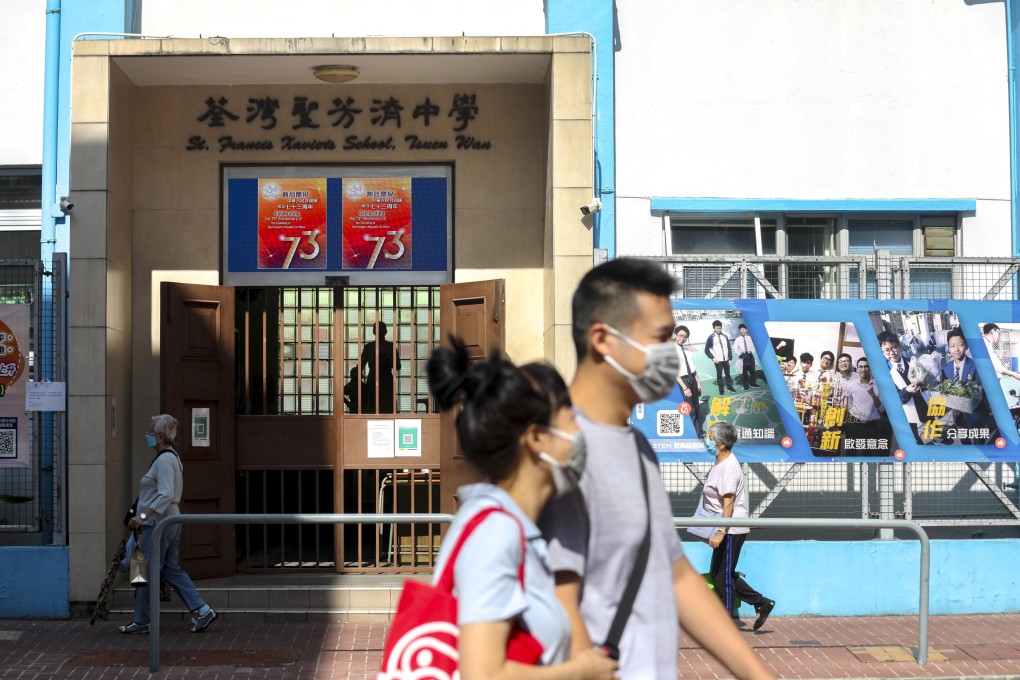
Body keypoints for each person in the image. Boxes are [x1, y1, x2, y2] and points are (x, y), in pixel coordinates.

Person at [539, 258, 773, 679]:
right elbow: (556, 594)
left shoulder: (636, 447)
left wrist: (757, 674)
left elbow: (676, 574)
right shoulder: (556, 449)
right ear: (603, 340)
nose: (673, 356)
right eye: (661, 338)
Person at [426, 339, 618, 679]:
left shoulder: (515, 528)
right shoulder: (495, 533)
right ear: (536, 438)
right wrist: (579, 671)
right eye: (571, 418)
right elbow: (482, 675)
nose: (581, 432)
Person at [119, 414, 217, 635]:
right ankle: (202, 609)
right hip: (169, 522)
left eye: (151, 431)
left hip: (158, 524)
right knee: (170, 569)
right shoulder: (170, 458)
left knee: (144, 572)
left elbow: (165, 494)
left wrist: (142, 517)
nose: (149, 434)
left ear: (161, 436)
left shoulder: (164, 460)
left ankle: (142, 620)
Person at [701, 422, 775, 631]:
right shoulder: (721, 462)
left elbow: (729, 503)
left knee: (723, 575)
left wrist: (721, 532)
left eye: (710, 437)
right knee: (719, 573)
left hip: (731, 529)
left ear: (722, 444)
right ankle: (761, 602)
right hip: (725, 526)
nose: (707, 440)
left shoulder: (728, 467)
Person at [878, 330, 927, 444]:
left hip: (924, 408)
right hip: (908, 416)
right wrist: (907, 391)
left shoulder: (913, 362)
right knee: (918, 442)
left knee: (934, 440)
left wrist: (925, 383)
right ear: (882, 352)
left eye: (894, 347)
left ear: (899, 347)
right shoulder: (884, 372)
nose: (892, 352)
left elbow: (927, 384)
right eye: (887, 350)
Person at [360, 321, 401, 413]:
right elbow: (360, 366)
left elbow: (398, 365)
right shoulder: (389, 347)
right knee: (382, 406)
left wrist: (388, 361)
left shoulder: (370, 347)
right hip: (379, 378)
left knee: (377, 406)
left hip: (379, 378)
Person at [674, 324, 704, 437]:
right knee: (690, 409)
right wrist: (685, 387)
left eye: (685, 336)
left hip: (692, 380)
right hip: (684, 382)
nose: (682, 338)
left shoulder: (687, 351)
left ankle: (698, 429)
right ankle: (698, 436)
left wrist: (698, 382)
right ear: (676, 335)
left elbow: (693, 368)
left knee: (696, 406)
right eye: (680, 335)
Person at [705, 320, 736, 395]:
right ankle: (721, 389)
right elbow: (706, 350)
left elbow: (728, 348)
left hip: (726, 360)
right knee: (719, 376)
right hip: (718, 361)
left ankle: (729, 387)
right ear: (714, 328)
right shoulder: (711, 338)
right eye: (717, 328)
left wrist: (730, 358)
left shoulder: (725, 336)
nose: (718, 330)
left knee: (728, 374)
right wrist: (713, 358)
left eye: (720, 328)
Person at [734, 324, 759, 390]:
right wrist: (739, 353)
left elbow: (754, 346)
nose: (742, 331)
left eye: (743, 329)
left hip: (750, 355)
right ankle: (746, 385)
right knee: (744, 372)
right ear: (739, 331)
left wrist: (752, 350)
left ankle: (753, 383)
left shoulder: (750, 338)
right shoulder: (737, 339)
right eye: (741, 329)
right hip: (743, 356)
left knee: (753, 371)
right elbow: (735, 349)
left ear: (746, 330)